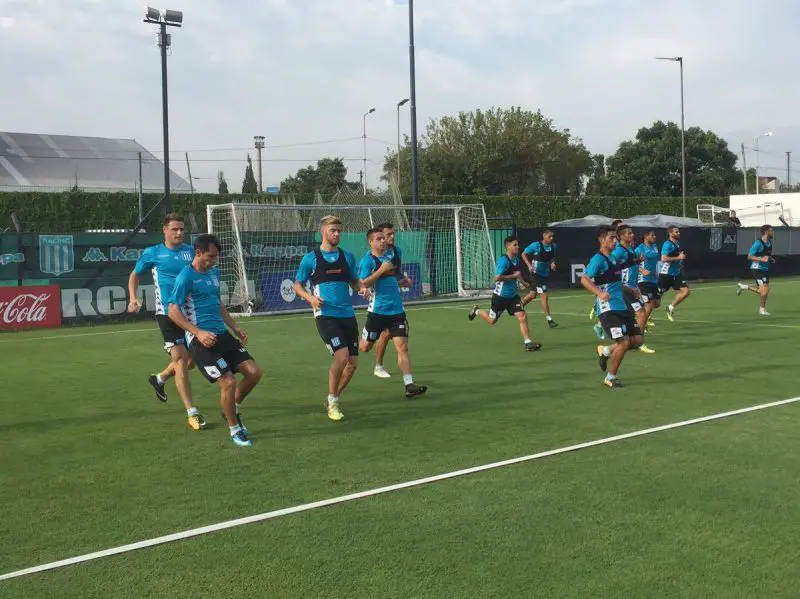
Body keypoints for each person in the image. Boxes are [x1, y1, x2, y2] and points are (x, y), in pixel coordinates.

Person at [168, 234, 263, 447]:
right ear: (198, 252)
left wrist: (235, 326)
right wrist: (198, 332)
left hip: (223, 336)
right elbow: (173, 310)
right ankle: (235, 429)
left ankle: (231, 407)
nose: (213, 261)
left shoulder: (214, 272)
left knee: (254, 373)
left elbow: (217, 302)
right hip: (201, 342)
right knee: (228, 382)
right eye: (210, 256)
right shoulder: (186, 277)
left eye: (216, 257)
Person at [127, 213, 205, 431]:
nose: (179, 232)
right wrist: (133, 298)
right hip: (167, 313)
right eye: (174, 229)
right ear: (164, 230)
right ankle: (192, 412)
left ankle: (160, 378)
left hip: (190, 313)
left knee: (191, 362)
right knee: (180, 360)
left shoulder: (191, 252)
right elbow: (134, 274)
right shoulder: (154, 253)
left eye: (181, 229)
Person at [294, 215, 362, 422]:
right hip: (325, 315)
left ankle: (332, 397)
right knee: (341, 357)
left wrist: (364, 289)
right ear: (322, 231)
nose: (337, 234)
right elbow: (297, 285)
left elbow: (354, 282)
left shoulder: (348, 257)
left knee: (352, 363)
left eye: (339, 230)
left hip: (347, 315)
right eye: (333, 230)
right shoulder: (311, 258)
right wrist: (310, 298)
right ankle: (333, 404)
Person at [358, 228, 427, 398]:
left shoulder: (391, 258)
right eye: (379, 239)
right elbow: (362, 282)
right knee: (365, 347)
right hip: (377, 312)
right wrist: (381, 270)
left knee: (402, 347)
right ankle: (352, 343)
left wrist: (403, 281)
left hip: (397, 311)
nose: (383, 241)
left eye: (384, 238)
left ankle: (409, 385)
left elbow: (393, 278)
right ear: (370, 242)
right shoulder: (368, 261)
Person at [581, 225, 643, 388]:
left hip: (621, 305)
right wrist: (599, 293)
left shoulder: (613, 259)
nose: (615, 241)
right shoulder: (598, 259)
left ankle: (605, 351)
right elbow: (584, 279)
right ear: (602, 240)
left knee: (636, 340)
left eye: (616, 238)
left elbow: (615, 281)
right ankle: (610, 377)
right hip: (608, 308)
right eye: (611, 238)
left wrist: (629, 289)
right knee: (623, 342)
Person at [469, 235, 542, 352]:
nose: (518, 247)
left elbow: (517, 274)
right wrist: (514, 276)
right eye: (515, 245)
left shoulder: (517, 260)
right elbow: (497, 278)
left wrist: (524, 283)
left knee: (522, 316)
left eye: (518, 244)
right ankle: (476, 310)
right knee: (492, 321)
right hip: (500, 297)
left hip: (513, 297)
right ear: (508, 247)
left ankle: (528, 343)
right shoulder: (503, 261)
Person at [370, 222, 410, 379]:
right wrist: (365, 288)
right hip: (377, 299)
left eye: (393, 234)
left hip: (393, 301)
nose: (392, 237)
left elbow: (396, 272)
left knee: (390, 335)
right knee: (367, 345)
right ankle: (374, 363)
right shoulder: (373, 256)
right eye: (388, 235)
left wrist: (403, 280)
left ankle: (380, 367)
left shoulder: (396, 251)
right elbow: (366, 278)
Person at [612, 225, 654, 353]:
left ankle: (627, 342)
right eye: (629, 233)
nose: (632, 235)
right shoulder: (618, 251)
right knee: (641, 313)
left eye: (632, 233)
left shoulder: (629, 249)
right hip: (626, 288)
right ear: (622, 236)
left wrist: (638, 263)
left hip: (634, 287)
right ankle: (638, 343)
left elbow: (629, 265)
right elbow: (611, 267)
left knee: (631, 315)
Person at [520, 229, 558, 328]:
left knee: (532, 295)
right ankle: (549, 319)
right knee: (544, 296)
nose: (552, 238)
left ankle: (519, 306)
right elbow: (523, 254)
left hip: (544, 274)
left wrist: (553, 263)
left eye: (552, 236)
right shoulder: (536, 245)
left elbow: (552, 257)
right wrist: (529, 265)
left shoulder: (553, 246)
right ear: (544, 236)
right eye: (549, 236)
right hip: (535, 274)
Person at [737, 224, 775, 315]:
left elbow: (766, 255)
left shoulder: (769, 242)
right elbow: (749, 256)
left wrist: (771, 259)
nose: (773, 232)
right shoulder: (758, 243)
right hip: (757, 268)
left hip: (765, 268)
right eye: (771, 230)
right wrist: (762, 259)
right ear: (766, 232)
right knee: (764, 290)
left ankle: (745, 287)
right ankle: (762, 310)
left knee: (764, 290)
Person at [658, 225, 690, 322]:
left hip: (676, 274)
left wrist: (679, 262)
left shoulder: (677, 243)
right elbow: (663, 258)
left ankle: (670, 307)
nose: (678, 233)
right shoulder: (667, 244)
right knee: (656, 301)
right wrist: (679, 258)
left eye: (679, 231)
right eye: (676, 232)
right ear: (670, 233)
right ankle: (645, 315)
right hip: (666, 274)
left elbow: (677, 257)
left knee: (686, 292)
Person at [635, 230, 661, 331]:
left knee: (657, 303)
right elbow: (631, 264)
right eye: (652, 235)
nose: (655, 237)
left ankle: (637, 310)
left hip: (653, 279)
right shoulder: (639, 249)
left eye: (654, 234)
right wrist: (641, 270)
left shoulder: (654, 247)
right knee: (649, 305)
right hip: (643, 280)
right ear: (645, 237)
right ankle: (641, 327)